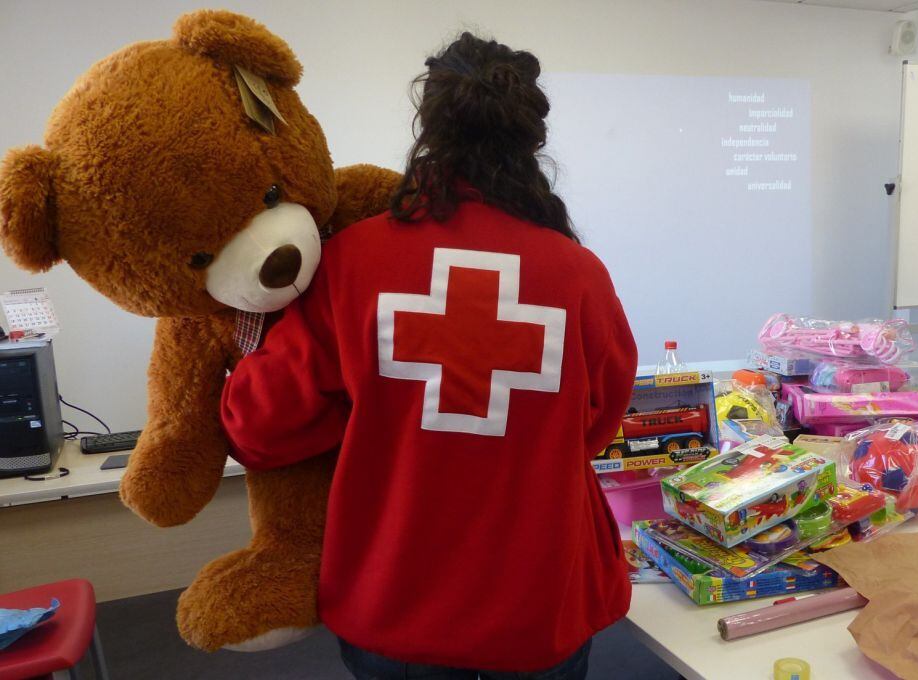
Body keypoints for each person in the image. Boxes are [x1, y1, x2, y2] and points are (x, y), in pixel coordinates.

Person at [220, 32, 637, 680]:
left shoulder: (355, 261)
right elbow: (596, 427)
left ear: (430, 130)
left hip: (395, 607)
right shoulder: (578, 276)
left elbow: (261, 426)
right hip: (538, 604)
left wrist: (358, 413)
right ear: (529, 142)